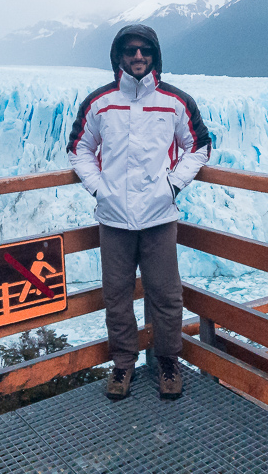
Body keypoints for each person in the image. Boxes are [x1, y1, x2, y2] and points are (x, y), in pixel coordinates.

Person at [66, 24, 211, 400]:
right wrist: (99, 188)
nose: (138, 57)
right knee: (116, 295)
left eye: (145, 50)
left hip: (159, 217)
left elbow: (199, 145)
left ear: (155, 55)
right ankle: (123, 364)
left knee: (165, 294)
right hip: (113, 218)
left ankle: (168, 362)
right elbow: (79, 147)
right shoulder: (100, 102)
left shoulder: (175, 101)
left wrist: (172, 186)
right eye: (130, 50)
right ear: (118, 56)